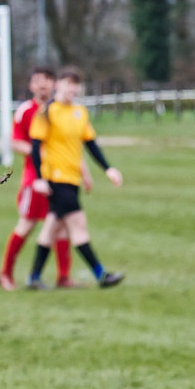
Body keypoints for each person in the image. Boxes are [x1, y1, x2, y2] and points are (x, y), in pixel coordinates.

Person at [25, 67, 125, 289]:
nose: (73, 89)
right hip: (56, 179)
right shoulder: (46, 112)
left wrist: (107, 169)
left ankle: (34, 278)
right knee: (78, 225)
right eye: (69, 83)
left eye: (76, 84)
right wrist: (40, 178)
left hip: (72, 179)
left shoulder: (80, 112)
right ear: (58, 85)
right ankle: (101, 275)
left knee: (51, 228)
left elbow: (90, 144)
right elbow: (35, 147)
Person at [0, 66, 71, 290]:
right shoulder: (25, 111)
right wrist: (37, 151)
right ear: (31, 85)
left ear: (54, 84)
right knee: (26, 225)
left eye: (47, 80)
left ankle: (63, 277)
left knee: (61, 226)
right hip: (34, 179)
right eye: (38, 80)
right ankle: (5, 274)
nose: (43, 84)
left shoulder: (59, 110)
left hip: (59, 177)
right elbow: (15, 142)